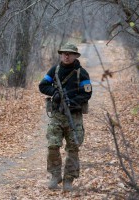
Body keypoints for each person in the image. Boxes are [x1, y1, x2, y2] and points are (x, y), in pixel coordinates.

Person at [39, 42, 92, 191]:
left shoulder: (81, 73)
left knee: (73, 148)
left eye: (69, 53)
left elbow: (87, 93)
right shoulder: (54, 71)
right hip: (57, 115)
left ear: (75, 56)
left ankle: (69, 180)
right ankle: (55, 176)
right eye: (64, 53)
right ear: (61, 55)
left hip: (73, 116)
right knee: (53, 146)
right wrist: (54, 94)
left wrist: (74, 102)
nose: (66, 56)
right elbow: (42, 85)